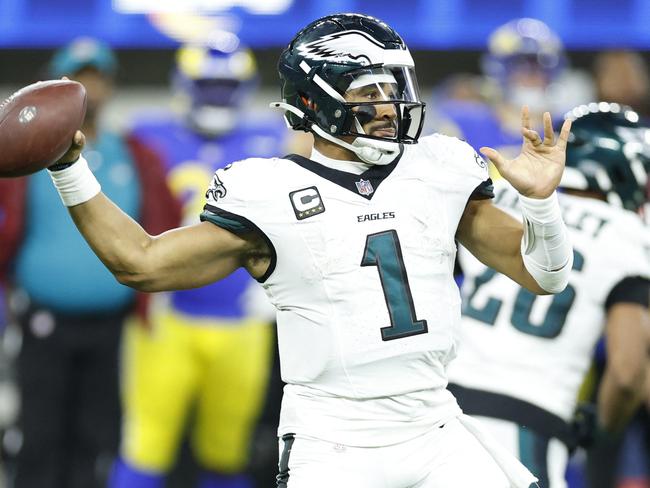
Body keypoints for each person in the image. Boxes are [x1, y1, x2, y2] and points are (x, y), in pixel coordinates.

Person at [43, 13, 575, 487]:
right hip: (334, 440)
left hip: (433, 423)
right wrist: (69, 169)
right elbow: (140, 262)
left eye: (393, 88)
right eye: (369, 93)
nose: (390, 106)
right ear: (316, 99)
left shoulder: (436, 168)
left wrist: (542, 205)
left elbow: (544, 275)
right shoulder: (268, 191)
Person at [0, 37, 180, 488]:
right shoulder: (26, 155)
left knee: (98, 437)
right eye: (78, 78)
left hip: (114, 324)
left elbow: (166, 221)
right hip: (43, 321)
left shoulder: (135, 154)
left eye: (97, 78)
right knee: (40, 437)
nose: (89, 88)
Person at [109, 35, 282, 488]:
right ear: (184, 84)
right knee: (146, 447)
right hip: (166, 317)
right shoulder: (145, 136)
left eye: (225, 87)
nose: (216, 97)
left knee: (227, 454)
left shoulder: (272, 143)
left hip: (242, 318)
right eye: (207, 86)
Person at [447, 104, 650, 488]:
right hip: (529, 422)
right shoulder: (627, 234)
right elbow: (627, 372)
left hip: (439, 408)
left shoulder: (503, 197)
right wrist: (600, 434)